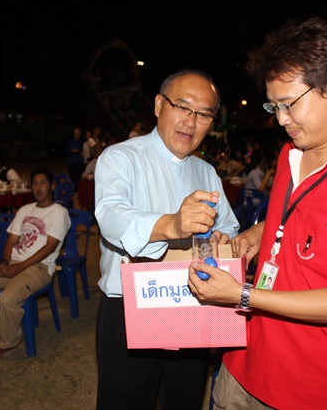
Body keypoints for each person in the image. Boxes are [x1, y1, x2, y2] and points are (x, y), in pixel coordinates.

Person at [188, 17, 327, 410]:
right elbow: (289, 222)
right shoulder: (290, 155)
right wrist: (253, 238)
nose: (280, 120)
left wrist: (241, 294)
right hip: (244, 365)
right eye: (273, 106)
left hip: (312, 388)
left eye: (289, 105)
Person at [94, 68, 240, 410]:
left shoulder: (205, 171)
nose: (191, 122)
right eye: (183, 107)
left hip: (191, 301)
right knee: (125, 401)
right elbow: (111, 217)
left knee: (185, 399)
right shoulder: (121, 157)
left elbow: (230, 227)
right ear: (159, 105)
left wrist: (222, 237)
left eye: (203, 114)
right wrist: (171, 225)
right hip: (130, 304)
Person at [0, 167, 71, 360]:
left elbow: (50, 247)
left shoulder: (59, 212)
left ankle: (8, 341)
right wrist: (4, 261)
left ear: (52, 186)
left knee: (8, 299)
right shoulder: (25, 210)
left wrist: (20, 266)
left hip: (39, 267)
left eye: (43, 182)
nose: (38, 187)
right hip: (15, 262)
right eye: (34, 183)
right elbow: (11, 240)